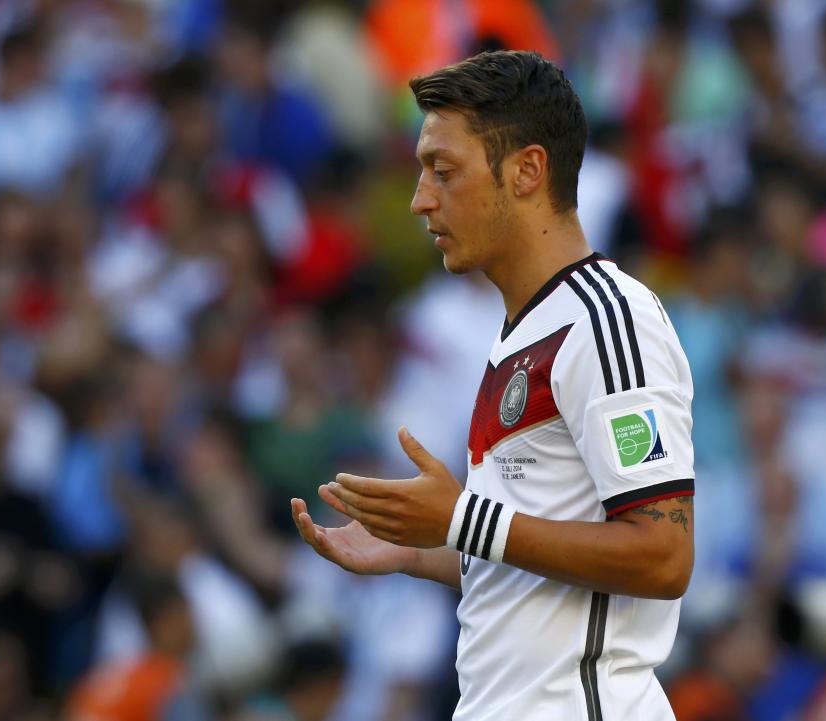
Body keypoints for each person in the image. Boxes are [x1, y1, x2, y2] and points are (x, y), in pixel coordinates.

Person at [290, 50, 695, 721]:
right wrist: (421, 547)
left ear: (528, 170)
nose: (421, 199)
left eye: (443, 172)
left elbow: (662, 553)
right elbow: (537, 550)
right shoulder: (518, 335)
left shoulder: (607, 319)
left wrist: (462, 519)